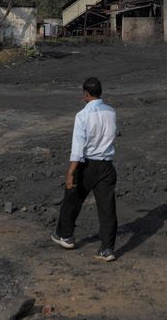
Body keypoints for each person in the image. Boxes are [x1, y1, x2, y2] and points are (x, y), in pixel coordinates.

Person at [52, 76, 119, 261]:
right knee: (107, 209)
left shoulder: (82, 115)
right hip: (106, 165)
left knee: (72, 199)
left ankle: (66, 236)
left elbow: (78, 148)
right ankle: (107, 249)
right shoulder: (111, 112)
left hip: (87, 165)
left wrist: (71, 172)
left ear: (85, 94)